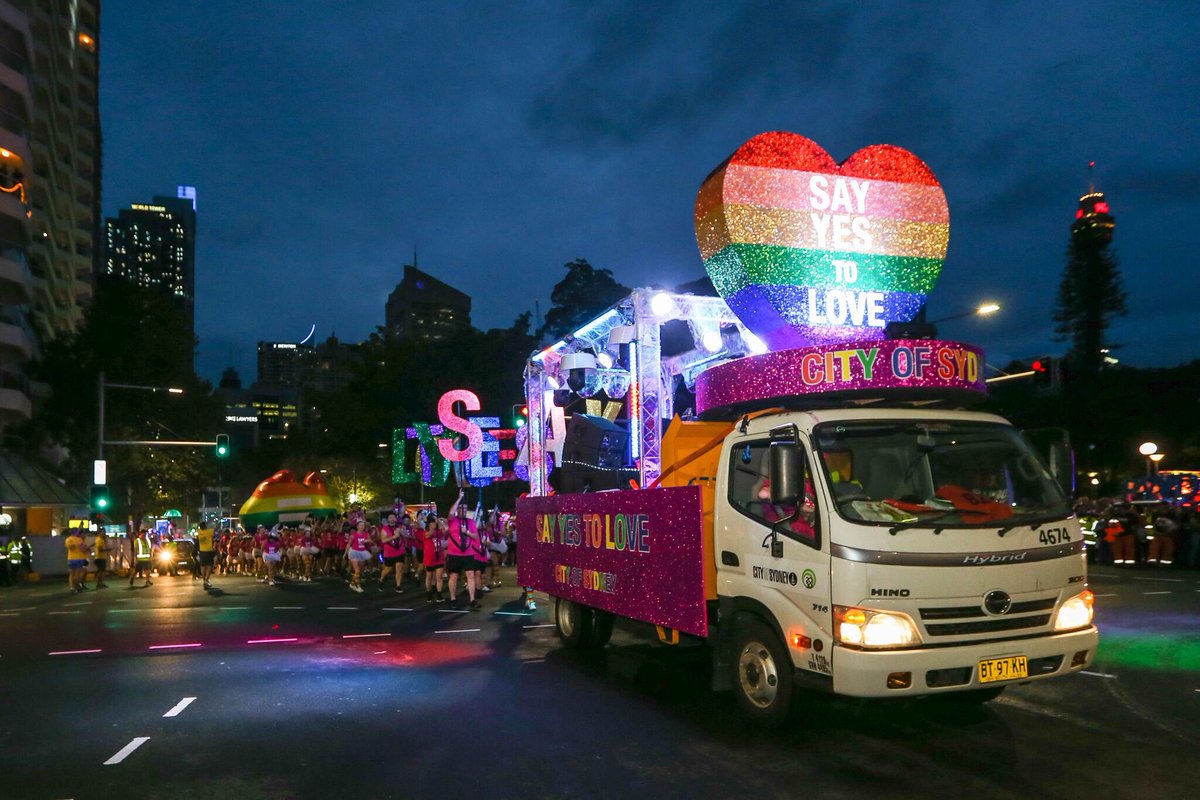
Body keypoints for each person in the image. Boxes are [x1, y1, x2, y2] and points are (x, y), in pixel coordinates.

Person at [444, 489, 480, 610]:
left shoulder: (470, 522)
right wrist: (459, 498)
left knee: (470, 575)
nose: (463, 511)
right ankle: (453, 598)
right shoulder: (453, 520)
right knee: (453, 576)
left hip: (468, 552)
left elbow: (476, 536)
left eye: (465, 509)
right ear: (458, 510)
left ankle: (472, 599)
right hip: (454, 553)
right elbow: (450, 513)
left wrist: (467, 532)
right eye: (461, 509)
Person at [377, 513, 405, 593]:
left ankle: (398, 586)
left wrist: (401, 532)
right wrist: (393, 537)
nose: (392, 519)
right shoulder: (384, 529)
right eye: (390, 517)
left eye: (393, 517)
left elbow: (406, 536)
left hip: (400, 551)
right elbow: (383, 540)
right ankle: (381, 580)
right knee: (387, 569)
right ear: (388, 519)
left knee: (399, 569)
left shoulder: (400, 527)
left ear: (396, 519)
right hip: (389, 552)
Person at [345, 519, 373, 592]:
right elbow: (348, 544)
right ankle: (358, 586)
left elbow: (371, 541)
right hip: (354, 552)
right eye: (360, 525)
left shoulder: (366, 534)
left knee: (359, 571)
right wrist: (345, 553)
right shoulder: (353, 535)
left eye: (363, 525)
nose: (362, 526)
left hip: (362, 552)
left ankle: (352, 583)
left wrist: (367, 541)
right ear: (357, 526)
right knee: (357, 570)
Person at [64, 527, 89, 592]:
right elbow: (83, 549)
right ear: (76, 532)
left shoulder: (68, 539)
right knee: (77, 574)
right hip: (79, 558)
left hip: (70, 558)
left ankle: (72, 587)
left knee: (71, 574)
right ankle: (77, 587)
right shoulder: (79, 540)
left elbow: (69, 547)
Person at [195, 521, 216, 588]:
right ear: (205, 526)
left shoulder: (199, 532)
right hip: (208, 551)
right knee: (210, 566)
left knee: (203, 566)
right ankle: (206, 580)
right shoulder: (209, 532)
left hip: (201, 551)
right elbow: (214, 529)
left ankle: (204, 581)